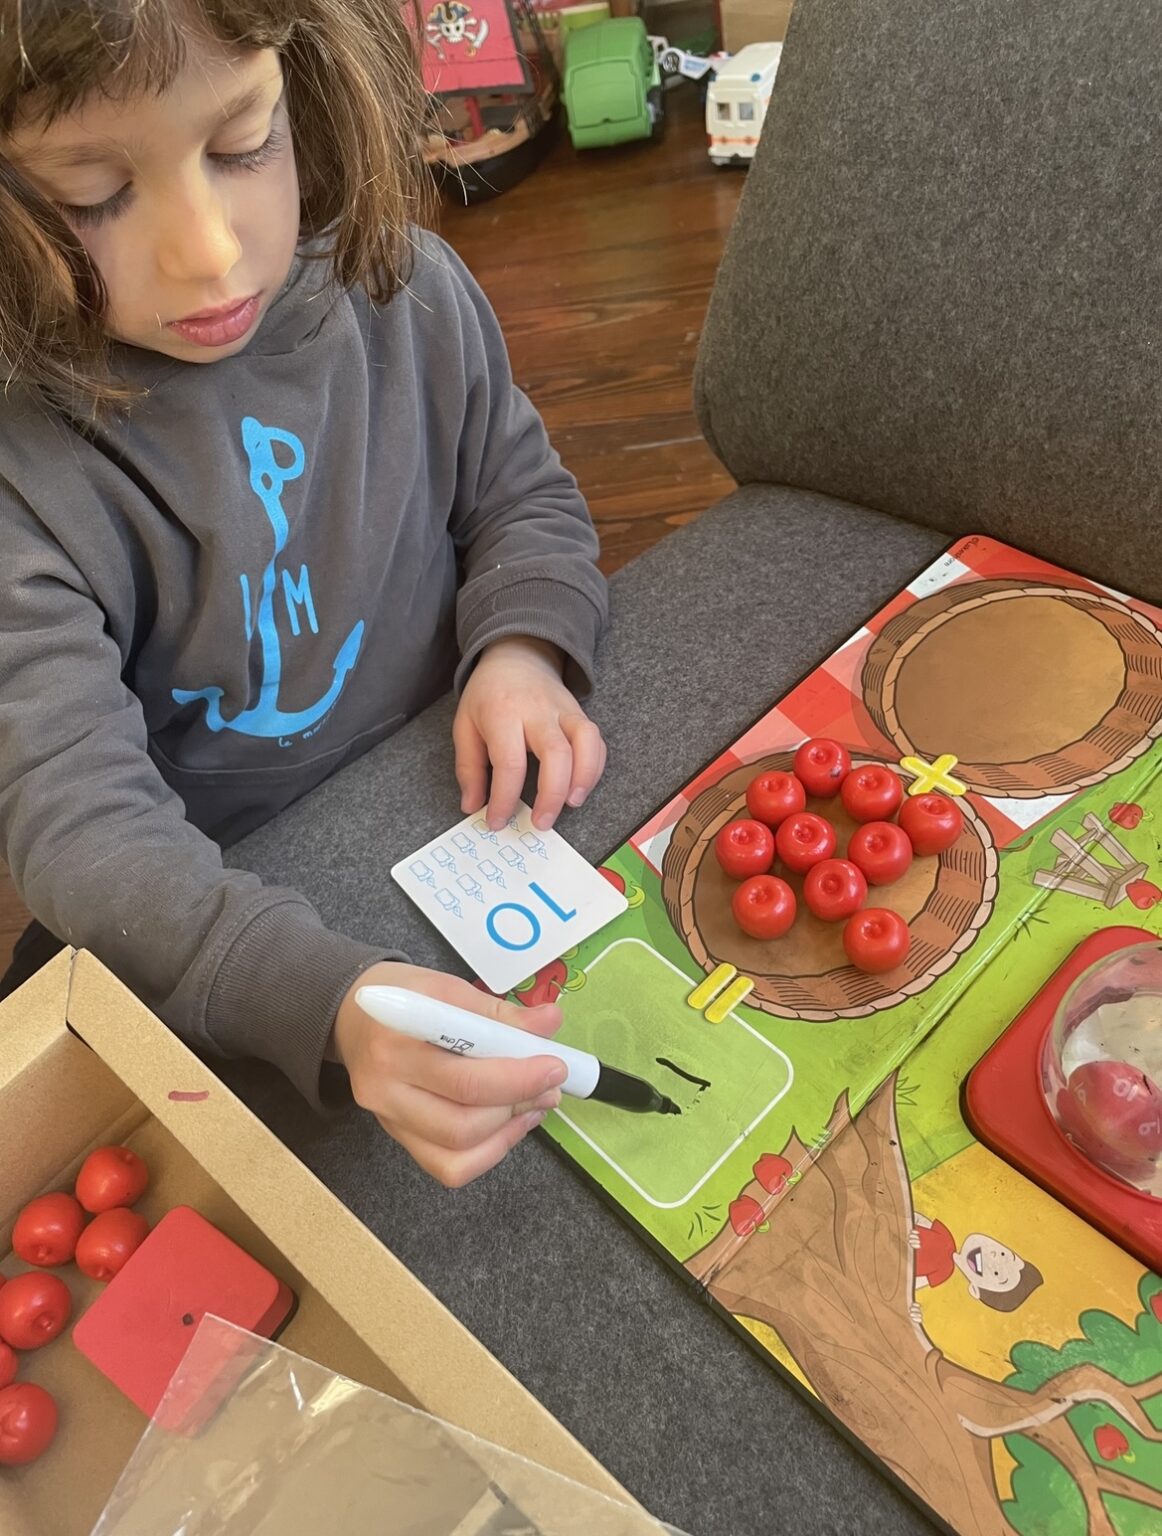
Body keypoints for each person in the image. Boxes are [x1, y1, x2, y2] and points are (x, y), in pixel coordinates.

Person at [0, 0, 609, 1188]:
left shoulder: (413, 291)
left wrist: (523, 646)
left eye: (243, 144)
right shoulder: (26, 477)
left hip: (458, 826)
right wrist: (316, 998)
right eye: (89, 193)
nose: (211, 252)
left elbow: (521, 494)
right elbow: (80, 829)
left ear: (310, 89)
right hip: (216, 908)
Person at [909, 1214, 1044, 1313]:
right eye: (1003, 1254)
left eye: (996, 1273)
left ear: (975, 1290)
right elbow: (912, 1214)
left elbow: (905, 1281)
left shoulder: (941, 1272)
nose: (993, 1257)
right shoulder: (945, 1237)